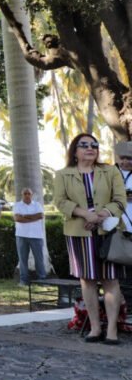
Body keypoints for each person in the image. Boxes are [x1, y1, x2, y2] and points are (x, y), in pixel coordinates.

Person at [52, 133, 127, 344]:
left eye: (94, 145)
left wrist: (101, 215)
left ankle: (111, 329)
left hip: (108, 234)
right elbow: (60, 201)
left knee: (110, 279)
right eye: (84, 145)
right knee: (87, 280)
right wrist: (86, 214)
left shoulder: (110, 171)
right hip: (78, 233)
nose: (90, 148)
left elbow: (120, 200)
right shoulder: (63, 174)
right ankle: (95, 327)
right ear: (74, 151)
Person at [12, 188, 48, 285]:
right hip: (21, 235)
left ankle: (42, 280)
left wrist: (24, 216)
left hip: (36, 236)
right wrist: (33, 217)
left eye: (29, 194)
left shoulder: (37, 205)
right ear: (22, 195)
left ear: (32, 195)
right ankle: (24, 281)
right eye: (25, 193)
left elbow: (40, 216)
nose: (27, 195)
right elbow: (17, 218)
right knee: (22, 259)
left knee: (39, 259)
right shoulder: (17, 205)